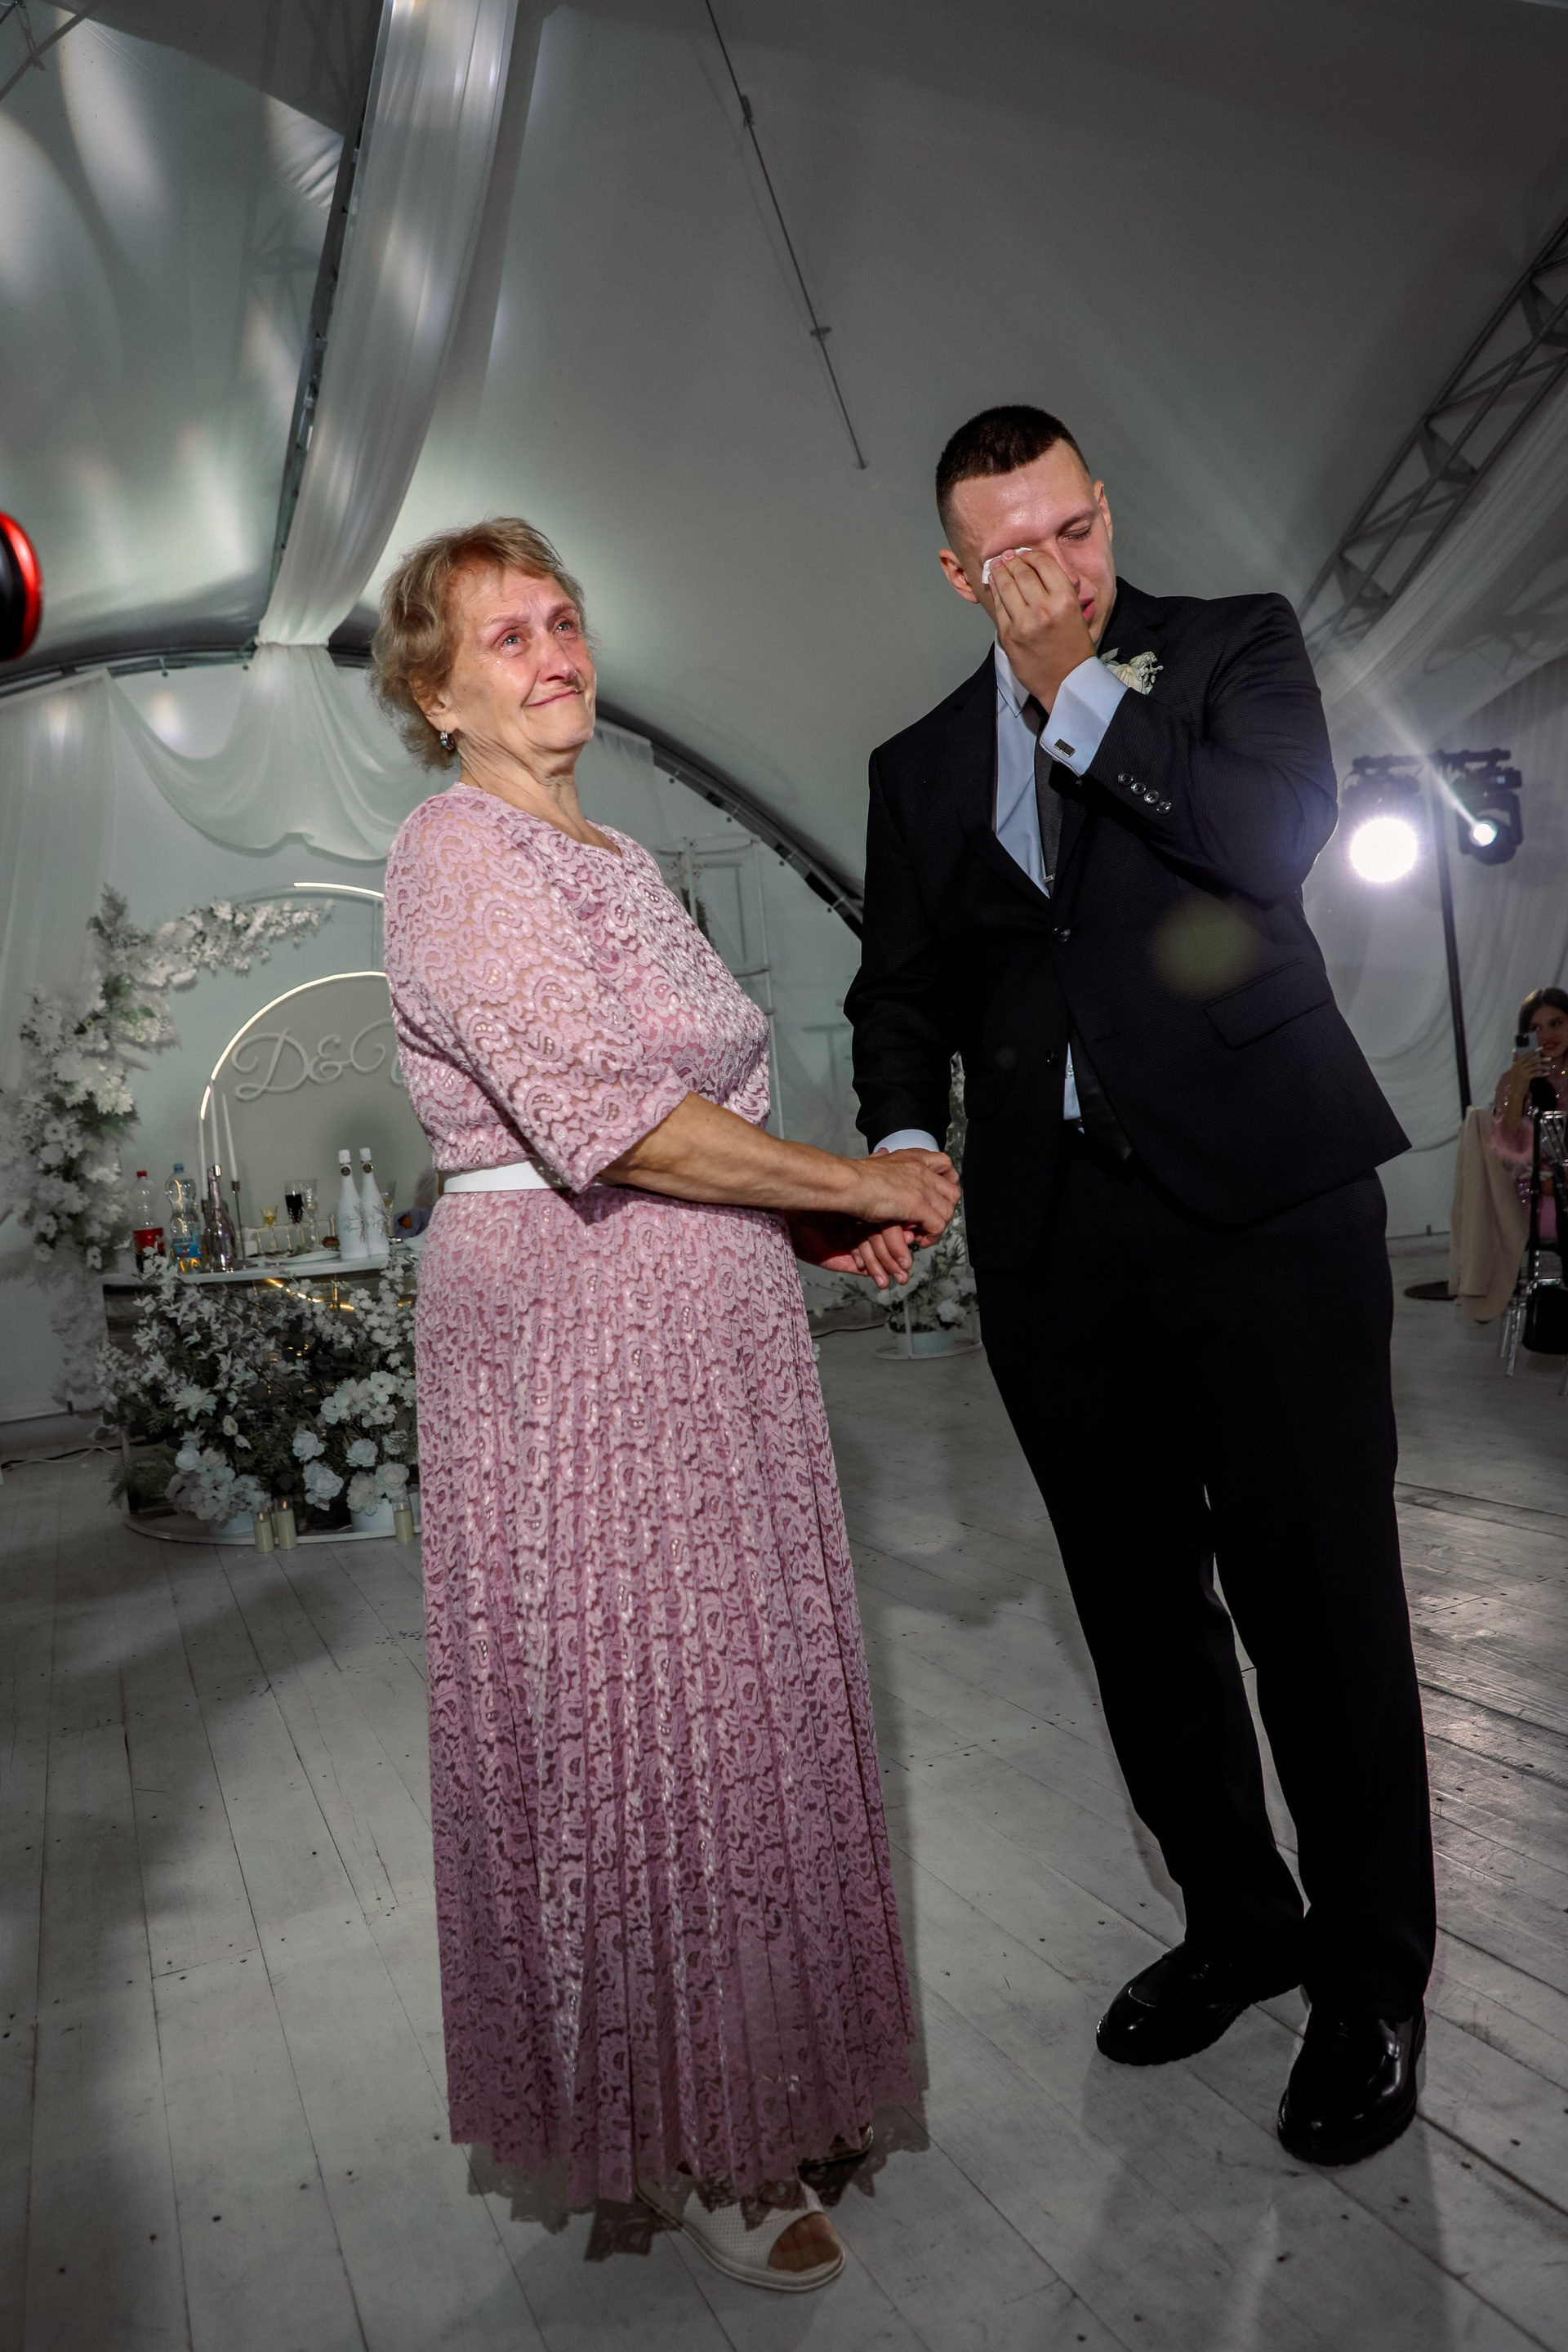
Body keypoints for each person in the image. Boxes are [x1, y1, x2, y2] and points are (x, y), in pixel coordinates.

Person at [845, 405, 1436, 2167]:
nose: (1062, 571)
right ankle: (1240, 1923)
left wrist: (1080, 690)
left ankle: (1369, 1978)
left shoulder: (1235, 647)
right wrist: (897, 1138)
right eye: (1016, 555)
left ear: (1106, 511)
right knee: (1135, 1610)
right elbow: (902, 992)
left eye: (1078, 529)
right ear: (957, 573)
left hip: (1266, 1206)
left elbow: (1267, 842)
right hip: (1057, 1242)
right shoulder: (918, 765)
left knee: (1320, 1602)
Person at [375, 519, 958, 2288]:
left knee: (743, 1718)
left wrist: (802, 1226)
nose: (554, 652)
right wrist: (853, 1181)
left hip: (710, 1337)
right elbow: (613, 1121)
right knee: (643, 1732)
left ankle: (769, 2066)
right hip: (574, 1347)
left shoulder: (618, 854)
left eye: (564, 619)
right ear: (435, 694)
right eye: (505, 636)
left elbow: (694, 1114)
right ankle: (706, 2130)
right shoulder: (456, 853)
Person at [1490, 984, 1568, 1238]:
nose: (1547, 1035)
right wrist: (1518, 1089)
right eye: (1536, 1029)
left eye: (1556, 1023)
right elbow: (1507, 1151)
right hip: (1538, 1193)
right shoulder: (1512, 1081)